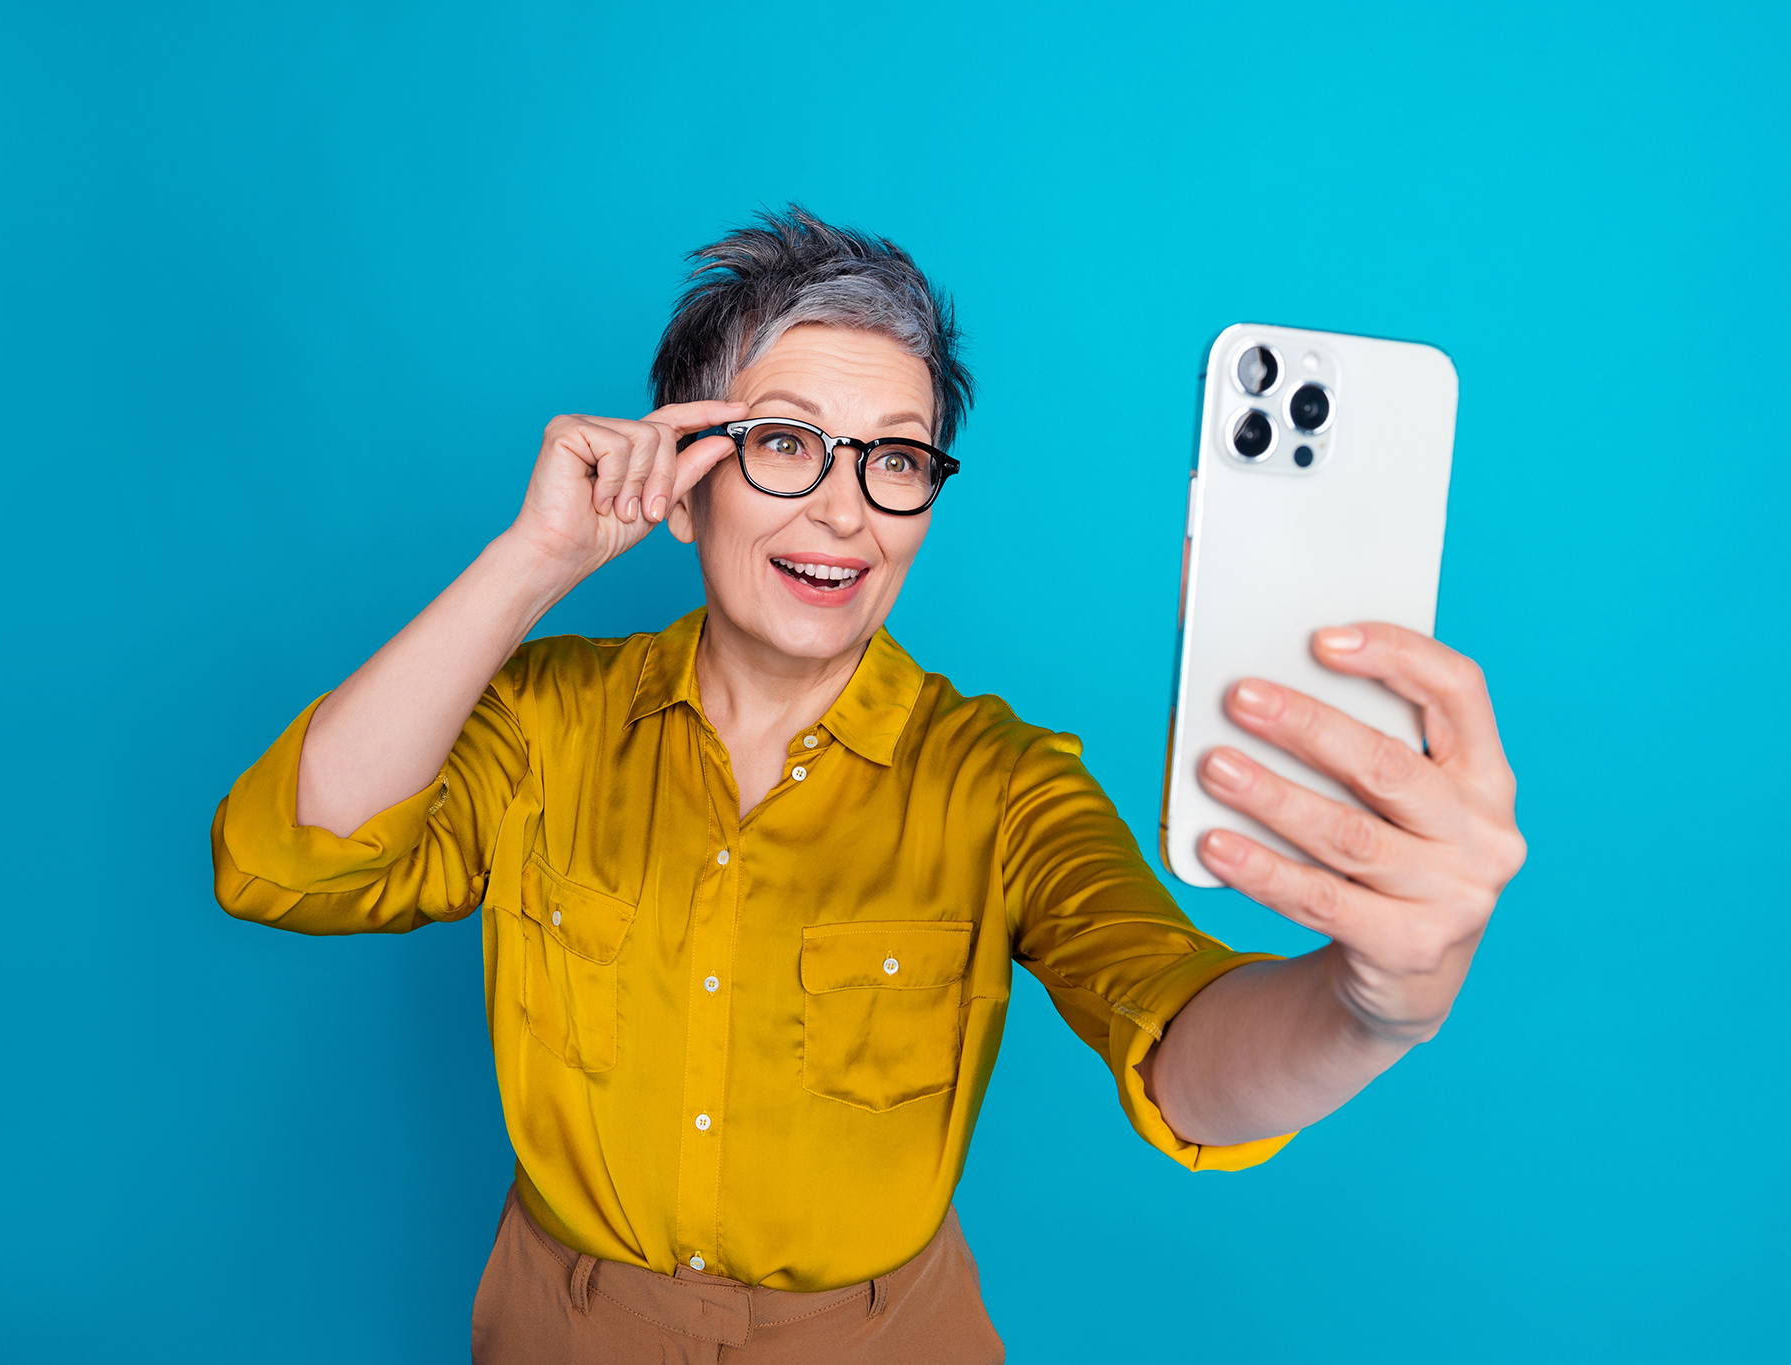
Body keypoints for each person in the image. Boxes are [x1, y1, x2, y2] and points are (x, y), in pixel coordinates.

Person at [210, 207, 1525, 1363]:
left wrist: (1373, 1007)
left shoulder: (1003, 785)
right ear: (682, 477)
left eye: (894, 458)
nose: (844, 510)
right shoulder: (545, 719)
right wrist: (533, 560)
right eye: (787, 442)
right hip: (560, 1335)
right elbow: (297, 857)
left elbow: (1181, 1044)